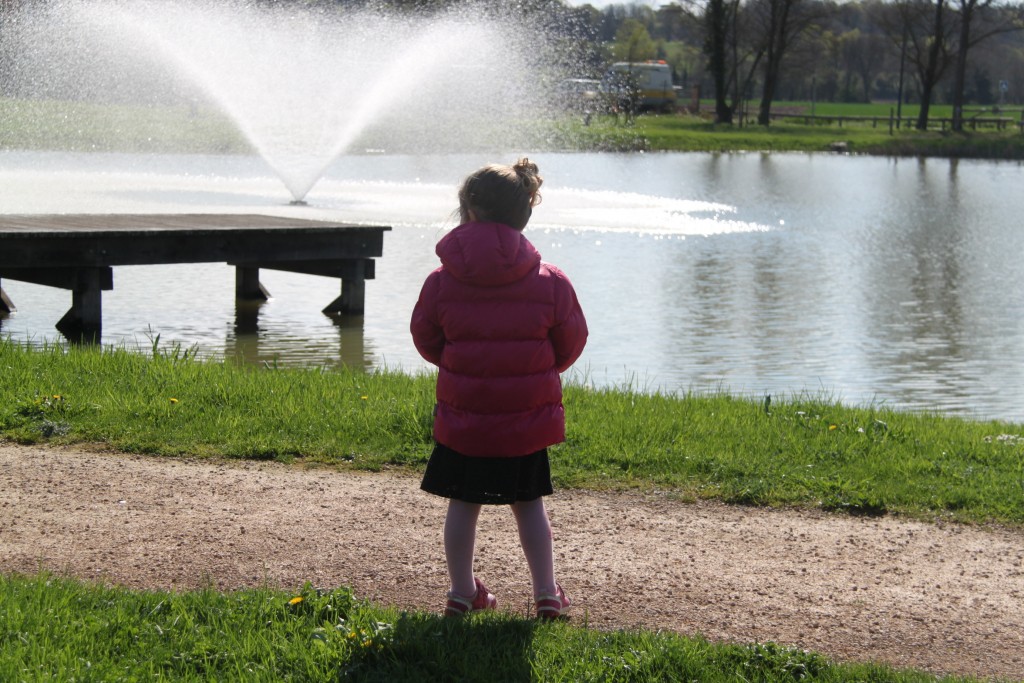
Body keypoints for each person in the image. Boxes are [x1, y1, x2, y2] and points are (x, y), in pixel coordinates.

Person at [410, 158, 588, 619]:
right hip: (524, 420)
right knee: (529, 505)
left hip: (464, 416)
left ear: (467, 210)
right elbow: (569, 344)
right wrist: (538, 376)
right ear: (523, 212)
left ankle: (462, 591)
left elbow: (426, 339)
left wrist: (460, 368)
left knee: (463, 504)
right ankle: (547, 593)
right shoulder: (551, 282)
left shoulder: (440, 281)